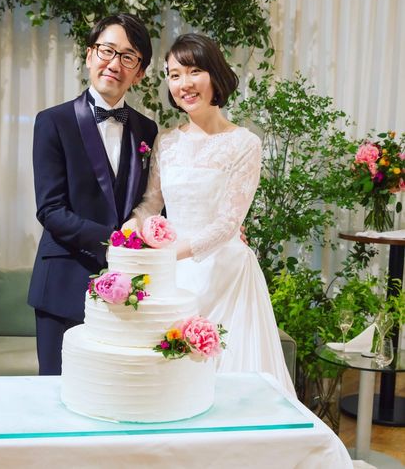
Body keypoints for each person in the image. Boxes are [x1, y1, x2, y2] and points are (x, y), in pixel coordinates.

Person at [126, 33, 296, 395]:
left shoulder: (245, 143)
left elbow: (228, 223)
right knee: (170, 386)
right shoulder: (166, 141)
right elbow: (151, 203)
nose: (184, 84)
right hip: (171, 273)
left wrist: (167, 254)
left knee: (227, 386)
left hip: (225, 274)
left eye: (194, 71)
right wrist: (129, 230)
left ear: (215, 75)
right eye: (174, 75)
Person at [28, 14, 157, 375]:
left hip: (129, 292)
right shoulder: (53, 121)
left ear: (139, 73)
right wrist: (114, 243)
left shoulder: (147, 130)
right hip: (63, 284)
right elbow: (50, 210)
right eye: (107, 50)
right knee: (58, 392)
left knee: (115, 393)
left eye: (128, 57)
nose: (114, 64)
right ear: (89, 55)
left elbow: (152, 201)